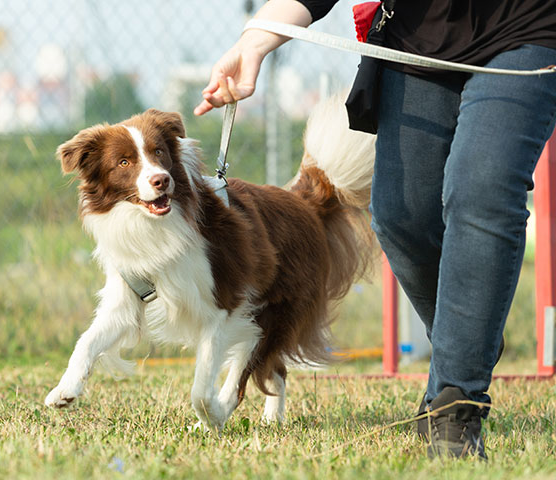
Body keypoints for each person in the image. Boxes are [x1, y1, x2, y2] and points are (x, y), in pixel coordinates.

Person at [194, 0, 556, 459]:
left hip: (528, 28)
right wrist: (255, 41)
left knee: (480, 189)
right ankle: (469, 332)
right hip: (420, 36)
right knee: (400, 215)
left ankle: (453, 406)